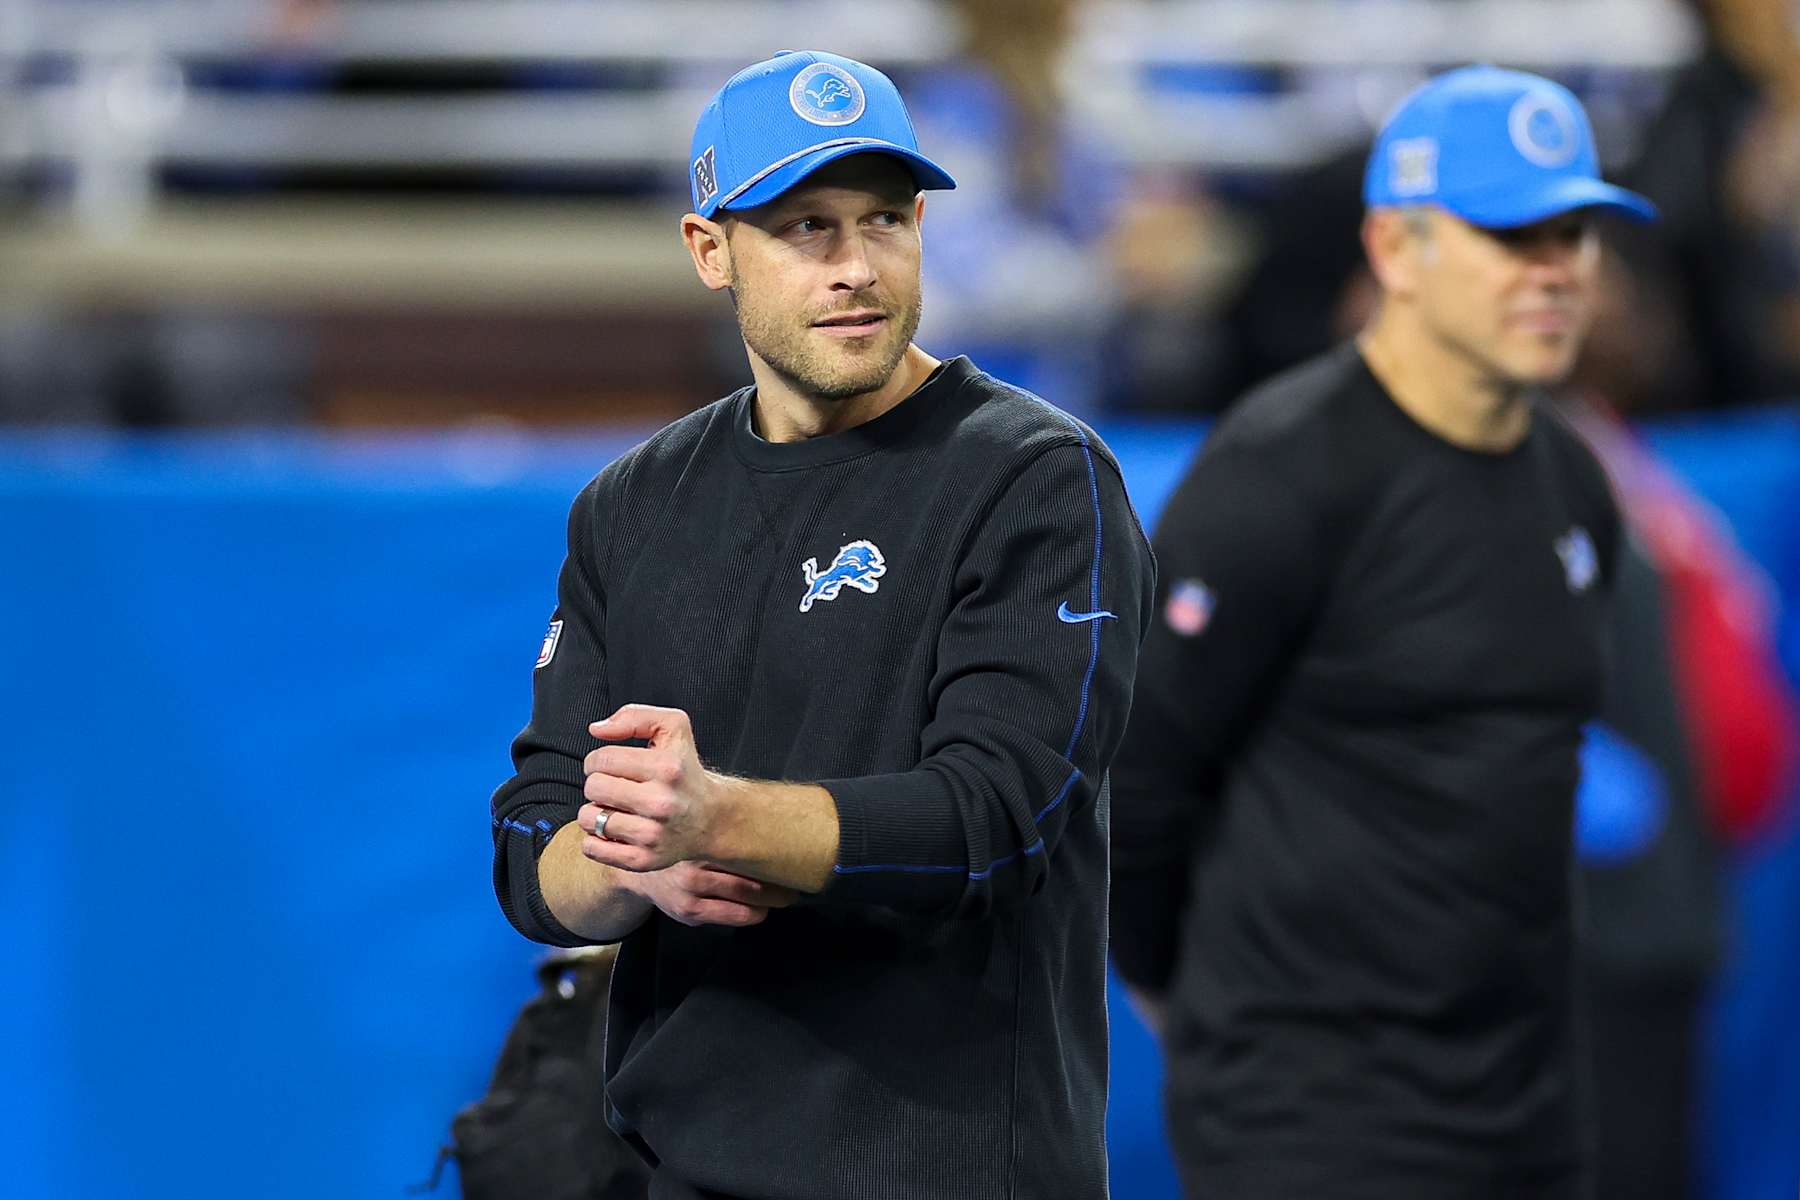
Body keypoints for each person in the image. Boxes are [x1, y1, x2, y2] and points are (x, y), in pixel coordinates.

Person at [489, 49, 1153, 1200]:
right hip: (682, 1167)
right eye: (805, 228)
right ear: (711, 252)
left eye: (886, 220)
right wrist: (634, 868)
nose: (856, 267)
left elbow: (999, 818)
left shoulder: (1037, 478)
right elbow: (531, 855)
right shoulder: (632, 506)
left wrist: (718, 819)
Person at [1108, 65, 1657, 1199]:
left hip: (1529, 1108)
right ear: (1397, 251)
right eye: (1515, 235)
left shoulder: (1577, 486)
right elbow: (1142, 782)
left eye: (1578, 234)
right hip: (1311, 1115)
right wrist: (1187, 997)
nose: (1560, 272)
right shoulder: (1280, 475)